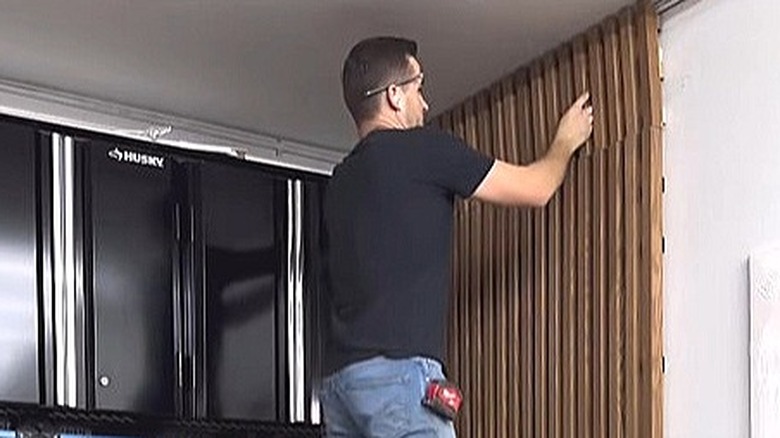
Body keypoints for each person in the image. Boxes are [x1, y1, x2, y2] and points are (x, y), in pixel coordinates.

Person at [320, 36, 593, 437]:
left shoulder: (340, 182)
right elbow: (537, 189)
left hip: (341, 385)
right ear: (395, 96)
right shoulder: (425, 149)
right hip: (399, 379)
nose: (425, 103)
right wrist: (565, 142)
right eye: (419, 87)